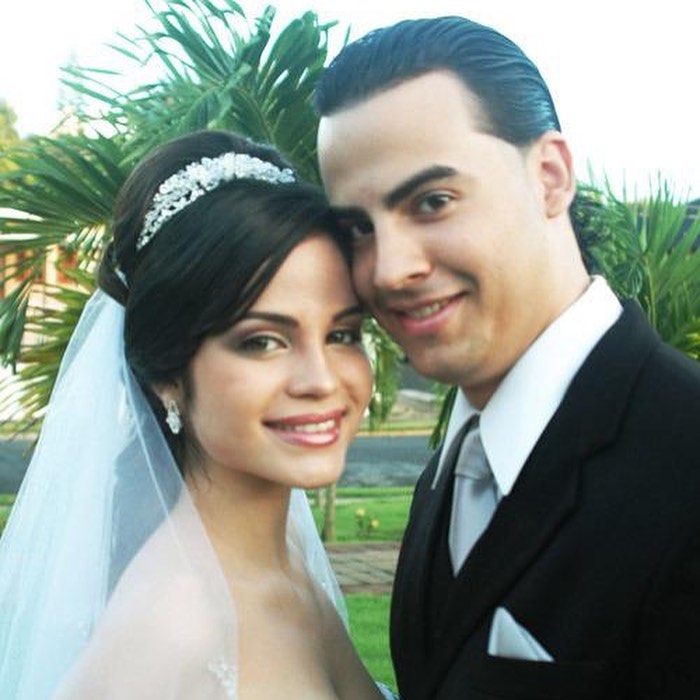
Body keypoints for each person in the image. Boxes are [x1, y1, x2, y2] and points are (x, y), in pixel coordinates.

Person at [314, 15, 700, 700]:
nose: (390, 269)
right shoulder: (453, 470)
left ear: (550, 176)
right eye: (358, 228)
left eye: (432, 202)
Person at [0, 129, 395, 699]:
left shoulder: (285, 564)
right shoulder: (171, 626)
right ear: (168, 375)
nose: (322, 380)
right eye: (262, 341)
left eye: (342, 333)